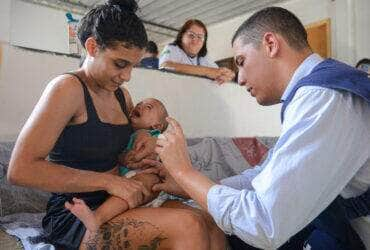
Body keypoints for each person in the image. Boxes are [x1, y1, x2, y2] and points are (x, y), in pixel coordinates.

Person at [7, 1, 224, 249]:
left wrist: (139, 151)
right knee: (188, 225)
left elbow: (120, 150)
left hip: (119, 198)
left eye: (133, 65)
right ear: (92, 47)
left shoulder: (123, 96)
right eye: (120, 64)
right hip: (77, 213)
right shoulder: (67, 89)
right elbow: (20, 170)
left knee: (208, 219)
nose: (127, 76)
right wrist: (109, 182)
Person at [150, 6, 370, 250]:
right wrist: (192, 186)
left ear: (270, 44)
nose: (240, 78)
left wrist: (184, 173)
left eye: (241, 62)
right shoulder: (313, 92)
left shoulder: (324, 98)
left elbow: (264, 224)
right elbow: (263, 176)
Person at [65, 98, 168, 233]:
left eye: (148, 107)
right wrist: (123, 158)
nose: (139, 105)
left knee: (147, 181)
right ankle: (97, 217)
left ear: (157, 126)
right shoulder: (124, 134)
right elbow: (118, 156)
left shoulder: (156, 136)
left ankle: (97, 218)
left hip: (149, 187)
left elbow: (163, 156)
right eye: (140, 103)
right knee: (124, 192)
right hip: (126, 191)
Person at [159, 19, 235, 84]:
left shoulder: (203, 57)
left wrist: (227, 75)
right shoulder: (173, 48)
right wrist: (206, 71)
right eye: (191, 35)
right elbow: (165, 66)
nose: (195, 40)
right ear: (182, 36)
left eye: (200, 37)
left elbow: (217, 73)